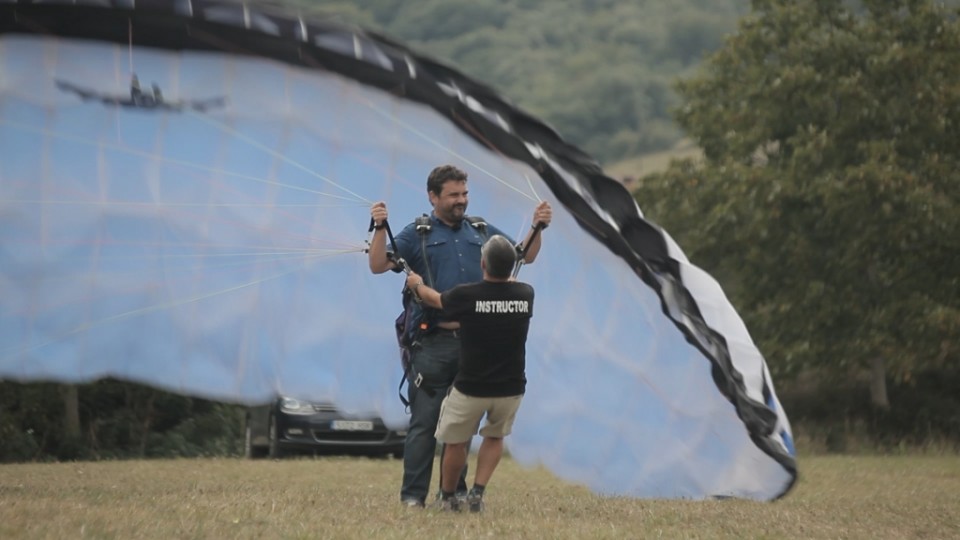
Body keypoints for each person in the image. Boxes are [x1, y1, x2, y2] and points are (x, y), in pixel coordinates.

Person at [369, 164, 551, 508]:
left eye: (464, 194)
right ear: (433, 196)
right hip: (433, 342)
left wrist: (537, 225)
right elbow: (378, 264)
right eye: (453, 195)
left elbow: (522, 255)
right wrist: (380, 226)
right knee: (425, 422)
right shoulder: (416, 234)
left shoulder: (480, 231)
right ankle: (413, 497)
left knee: (463, 426)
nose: (461, 201)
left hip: (473, 345)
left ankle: (453, 494)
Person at [403, 235, 534, 513]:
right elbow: (508, 284)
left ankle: (447, 496)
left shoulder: (467, 296)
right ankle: (476, 493)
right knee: (495, 438)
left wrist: (417, 285)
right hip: (511, 387)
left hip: (471, 387)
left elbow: (435, 300)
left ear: (482, 263)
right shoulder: (526, 294)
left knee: (455, 442)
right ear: (510, 267)